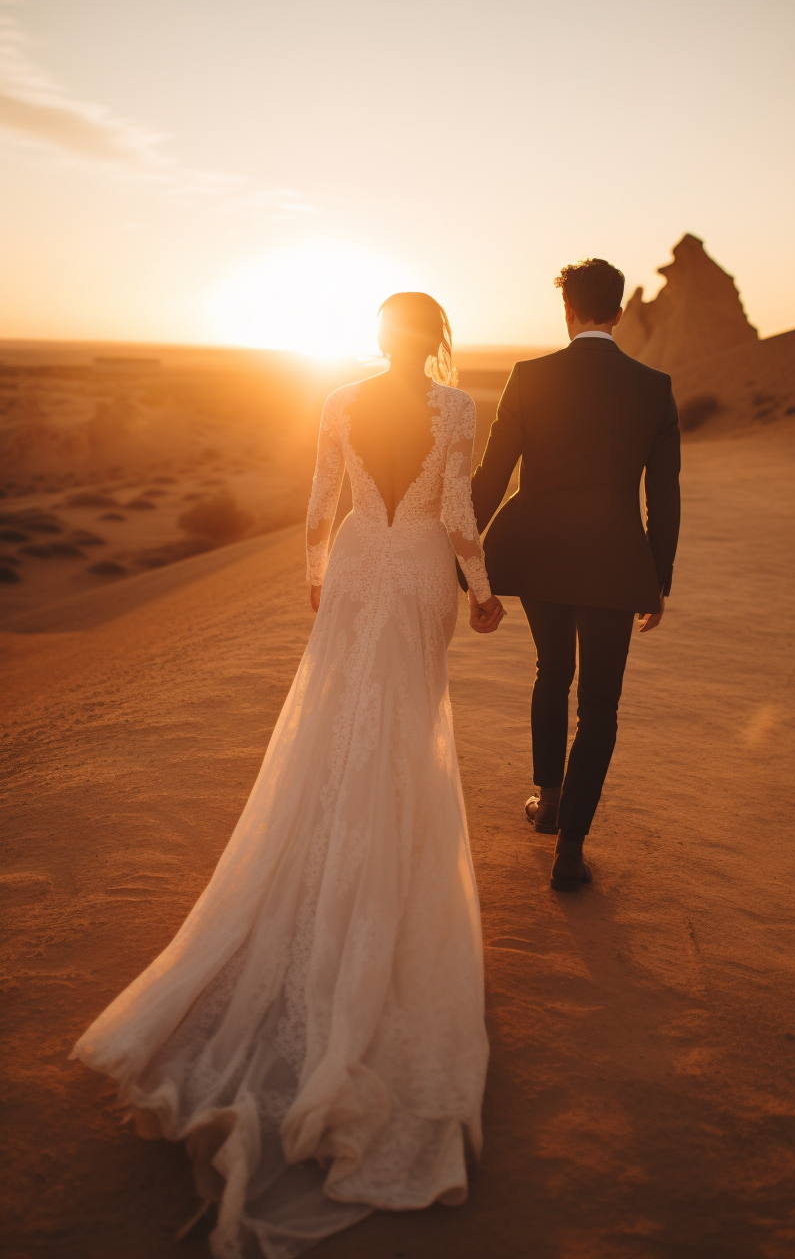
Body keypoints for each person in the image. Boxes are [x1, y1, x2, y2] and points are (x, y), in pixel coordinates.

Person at [72, 293, 505, 1256]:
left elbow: (318, 505)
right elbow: (463, 513)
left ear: (377, 336)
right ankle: (385, 873)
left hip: (357, 568)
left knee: (334, 731)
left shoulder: (339, 400)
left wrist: (320, 576)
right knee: (406, 734)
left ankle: (326, 861)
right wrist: (481, 592)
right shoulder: (460, 409)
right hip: (421, 569)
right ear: (434, 340)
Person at [470, 258, 680, 891]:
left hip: (538, 554)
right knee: (600, 705)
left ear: (568, 312)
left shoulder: (529, 376)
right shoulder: (653, 387)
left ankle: (550, 800)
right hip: (616, 563)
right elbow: (663, 495)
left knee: (551, 671)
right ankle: (571, 849)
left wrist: (464, 550)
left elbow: (494, 470)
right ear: (618, 313)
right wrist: (657, 576)